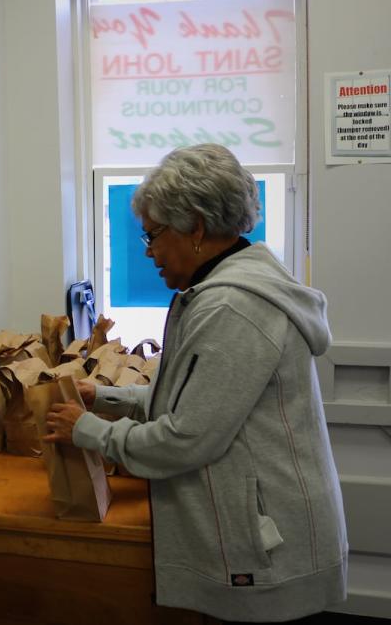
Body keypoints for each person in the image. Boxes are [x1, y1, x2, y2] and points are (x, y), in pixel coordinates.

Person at [44, 144, 347, 623]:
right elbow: (194, 399)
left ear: (197, 226)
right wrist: (104, 397)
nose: (149, 253)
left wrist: (89, 431)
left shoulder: (232, 308)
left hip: (268, 540)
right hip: (263, 524)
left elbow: (188, 436)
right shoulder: (225, 288)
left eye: (154, 236)